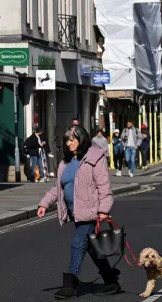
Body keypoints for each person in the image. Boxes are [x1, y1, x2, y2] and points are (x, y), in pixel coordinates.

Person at [37, 125, 121, 299]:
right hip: (76, 213)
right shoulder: (65, 163)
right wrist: (44, 204)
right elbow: (58, 188)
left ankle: (70, 283)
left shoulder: (95, 158)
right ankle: (111, 280)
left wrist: (103, 210)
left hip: (90, 213)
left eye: (73, 140)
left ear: (82, 140)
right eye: (67, 140)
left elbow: (104, 187)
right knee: (91, 247)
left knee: (77, 243)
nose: (69, 143)